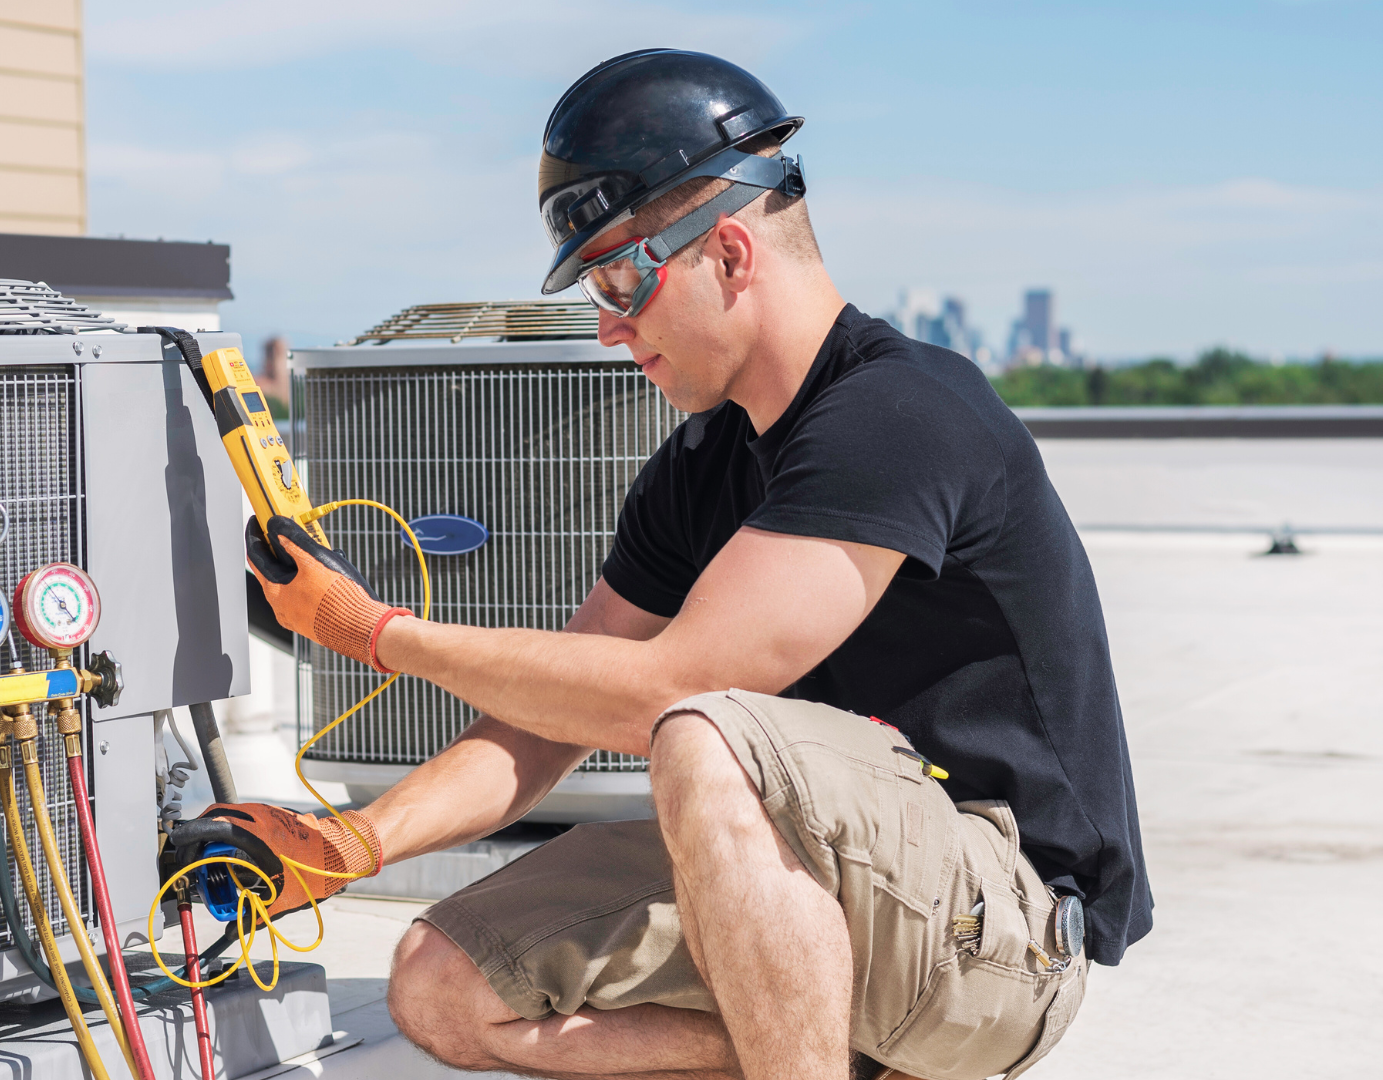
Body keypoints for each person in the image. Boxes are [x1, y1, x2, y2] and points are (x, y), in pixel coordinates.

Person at [206, 49, 1150, 1080]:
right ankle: (831, 1049)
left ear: (731, 254)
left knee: (702, 732)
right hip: (843, 889)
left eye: (620, 280)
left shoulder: (900, 416)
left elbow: (668, 689)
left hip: (1002, 933)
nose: (612, 331)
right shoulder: (704, 462)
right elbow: (546, 717)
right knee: (443, 982)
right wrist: (359, 840)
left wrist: (377, 632)